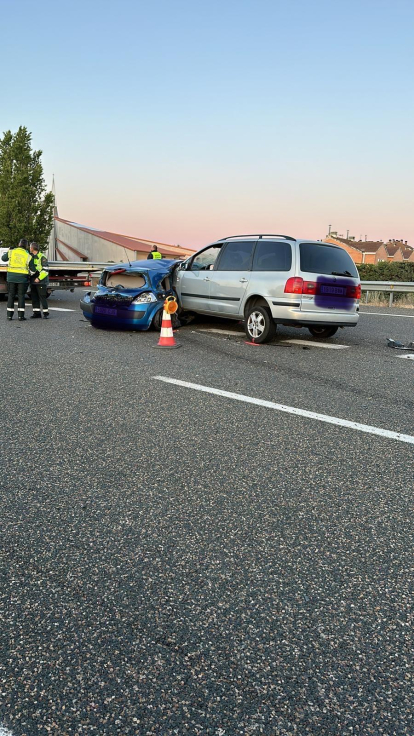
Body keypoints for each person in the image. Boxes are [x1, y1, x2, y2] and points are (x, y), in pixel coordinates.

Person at [1, 238, 31, 320]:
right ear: (26, 246)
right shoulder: (27, 254)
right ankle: (21, 316)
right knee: (21, 296)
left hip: (11, 277)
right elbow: (31, 266)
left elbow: (3, 259)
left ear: (18, 244)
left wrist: (9, 250)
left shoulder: (12, 251)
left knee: (11, 295)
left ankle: (9, 316)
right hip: (22, 278)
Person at [29, 243, 50, 319]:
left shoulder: (42, 257)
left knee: (42, 297)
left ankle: (45, 313)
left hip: (40, 280)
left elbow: (45, 270)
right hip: (33, 280)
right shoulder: (30, 256)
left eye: (30, 247)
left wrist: (39, 278)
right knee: (34, 297)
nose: (29, 248)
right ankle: (36, 313)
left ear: (33, 248)